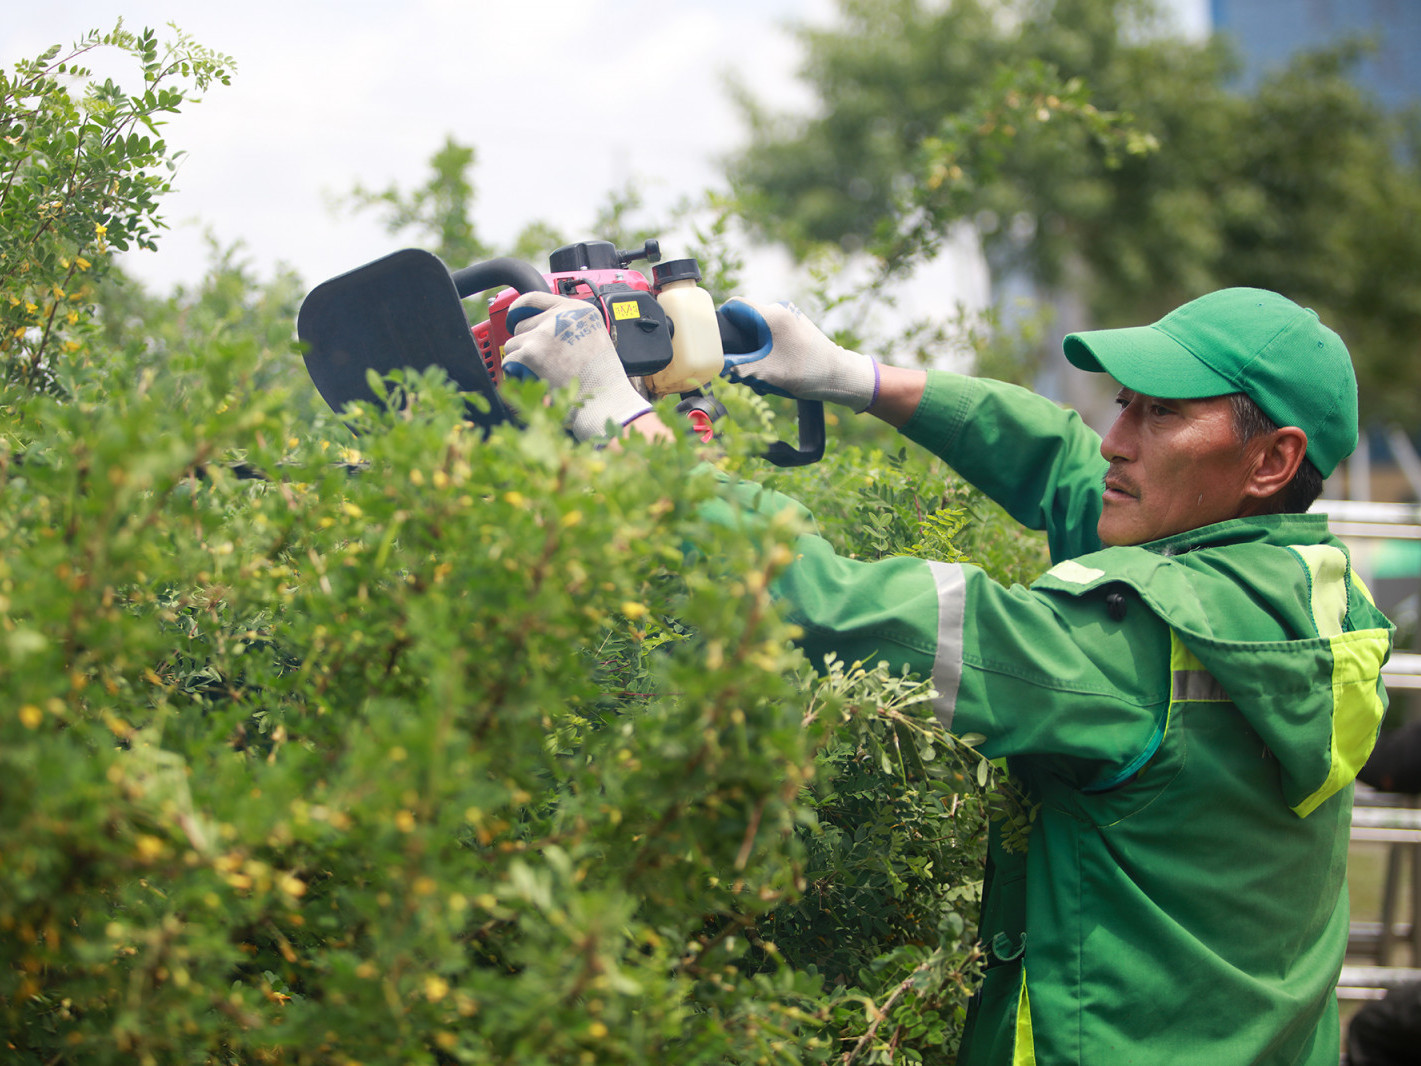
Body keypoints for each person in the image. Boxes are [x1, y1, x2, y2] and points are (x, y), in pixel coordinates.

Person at [502, 285, 1397, 1064]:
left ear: (1270, 459)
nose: (1115, 439)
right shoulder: (1298, 592)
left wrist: (621, 425)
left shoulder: (1133, 646)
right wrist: (858, 378)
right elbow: (1064, 462)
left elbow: (828, 608)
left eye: (1158, 414)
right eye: (1121, 405)